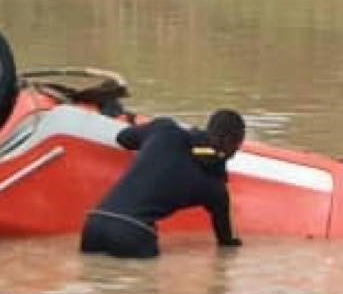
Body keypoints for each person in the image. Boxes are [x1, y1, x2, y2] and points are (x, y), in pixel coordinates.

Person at [80, 109, 246, 258]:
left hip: (94, 224)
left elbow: (123, 138)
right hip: (135, 232)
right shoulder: (215, 187)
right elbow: (228, 243)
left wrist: (148, 135)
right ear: (235, 144)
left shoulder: (165, 130)